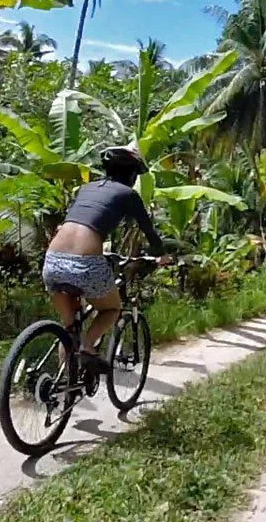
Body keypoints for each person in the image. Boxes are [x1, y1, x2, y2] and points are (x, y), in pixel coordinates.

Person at [41, 143, 171, 371]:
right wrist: (161, 255)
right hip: (86, 264)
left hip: (52, 259)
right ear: (132, 174)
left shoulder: (86, 189)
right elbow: (148, 230)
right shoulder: (128, 194)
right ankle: (88, 348)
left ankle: (66, 380)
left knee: (69, 327)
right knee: (111, 309)